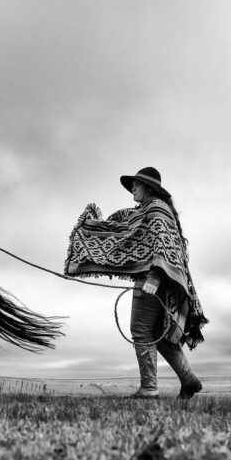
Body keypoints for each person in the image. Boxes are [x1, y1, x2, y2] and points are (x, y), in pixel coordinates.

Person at [64, 167, 207, 398]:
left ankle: (149, 388)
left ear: (149, 187)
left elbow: (164, 245)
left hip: (153, 281)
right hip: (157, 281)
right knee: (158, 334)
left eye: (136, 184)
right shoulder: (144, 212)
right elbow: (122, 228)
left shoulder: (157, 210)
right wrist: (94, 225)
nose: (133, 188)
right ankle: (189, 380)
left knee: (140, 331)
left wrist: (155, 275)